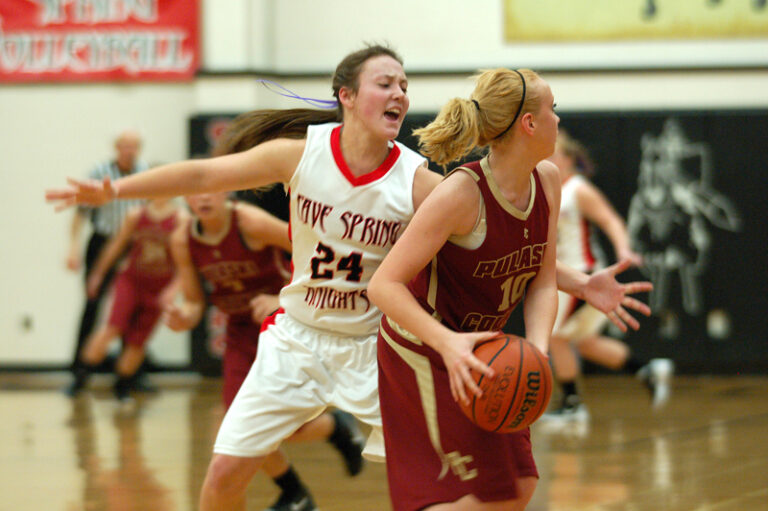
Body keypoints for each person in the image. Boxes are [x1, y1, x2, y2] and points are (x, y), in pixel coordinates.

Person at [47, 44, 652, 511]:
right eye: (385, 83)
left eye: (405, 87)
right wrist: (116, 189)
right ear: (346, 95)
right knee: (224, 477)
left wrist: (576, 282)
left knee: (461, 486)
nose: (400, 94)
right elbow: (208, 176)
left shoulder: (417, 180)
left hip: (378, 347)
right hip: (296, 337)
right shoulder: (301, 155)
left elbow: (493, 236)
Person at [367, 67, 561, 510]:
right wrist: (448, 345)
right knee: (451, 495)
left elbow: (543, 281)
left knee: (518, 486)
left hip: (485, 352)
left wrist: (539, 352)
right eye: (553, 110)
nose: (558, 120)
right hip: (423, 348)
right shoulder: (462, 194)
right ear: (529, 124)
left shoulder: (546, 181)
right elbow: (384, 286)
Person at [164, 191, 364, 511]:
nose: (204, 196)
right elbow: (193, 302)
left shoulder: (249, 223)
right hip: (241, 332)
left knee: (282, 426)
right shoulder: (182, 239)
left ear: (226, 190)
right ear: (185, 197)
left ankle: (332, 430)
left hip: (285, 326)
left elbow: (317, 253)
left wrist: (283, 299)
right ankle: (295, 490)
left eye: (210, 189)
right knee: (238, 425)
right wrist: (182, 317)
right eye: (195, 190)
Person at [540, 131, 674, 425]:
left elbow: (611, 219)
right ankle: (647, 370)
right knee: (584, 342)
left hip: (583, 274)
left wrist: (624, 248)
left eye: (553, 152)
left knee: (555, 337)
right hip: (565, 274)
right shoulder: (547, 186)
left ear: (567, 158)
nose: (546, 157)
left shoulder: (578, 189)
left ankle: (573, 405)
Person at [66, 197, 184, 402]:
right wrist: (97, 274)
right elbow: (116, 245)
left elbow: (188, 260)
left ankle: (122, 385)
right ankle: (80, 377)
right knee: (112, 328)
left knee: (137, 341)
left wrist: (175, 288)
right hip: (131, 280)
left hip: (159, 286)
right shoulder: (136, 214)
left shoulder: (181, 218)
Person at [66, 130, 153, 386]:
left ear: (139, 149)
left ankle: (130, 374)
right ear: (116, 148)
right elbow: (80, 212)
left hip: (134, 245)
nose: (129, 151)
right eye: (124, 146)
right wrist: (72, 247)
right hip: (102, 241)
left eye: (134, 146)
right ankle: (79, 373)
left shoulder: (146, 171)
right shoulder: (99, 171)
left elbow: (152, 212)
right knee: (92, 304)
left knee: (132, 307)